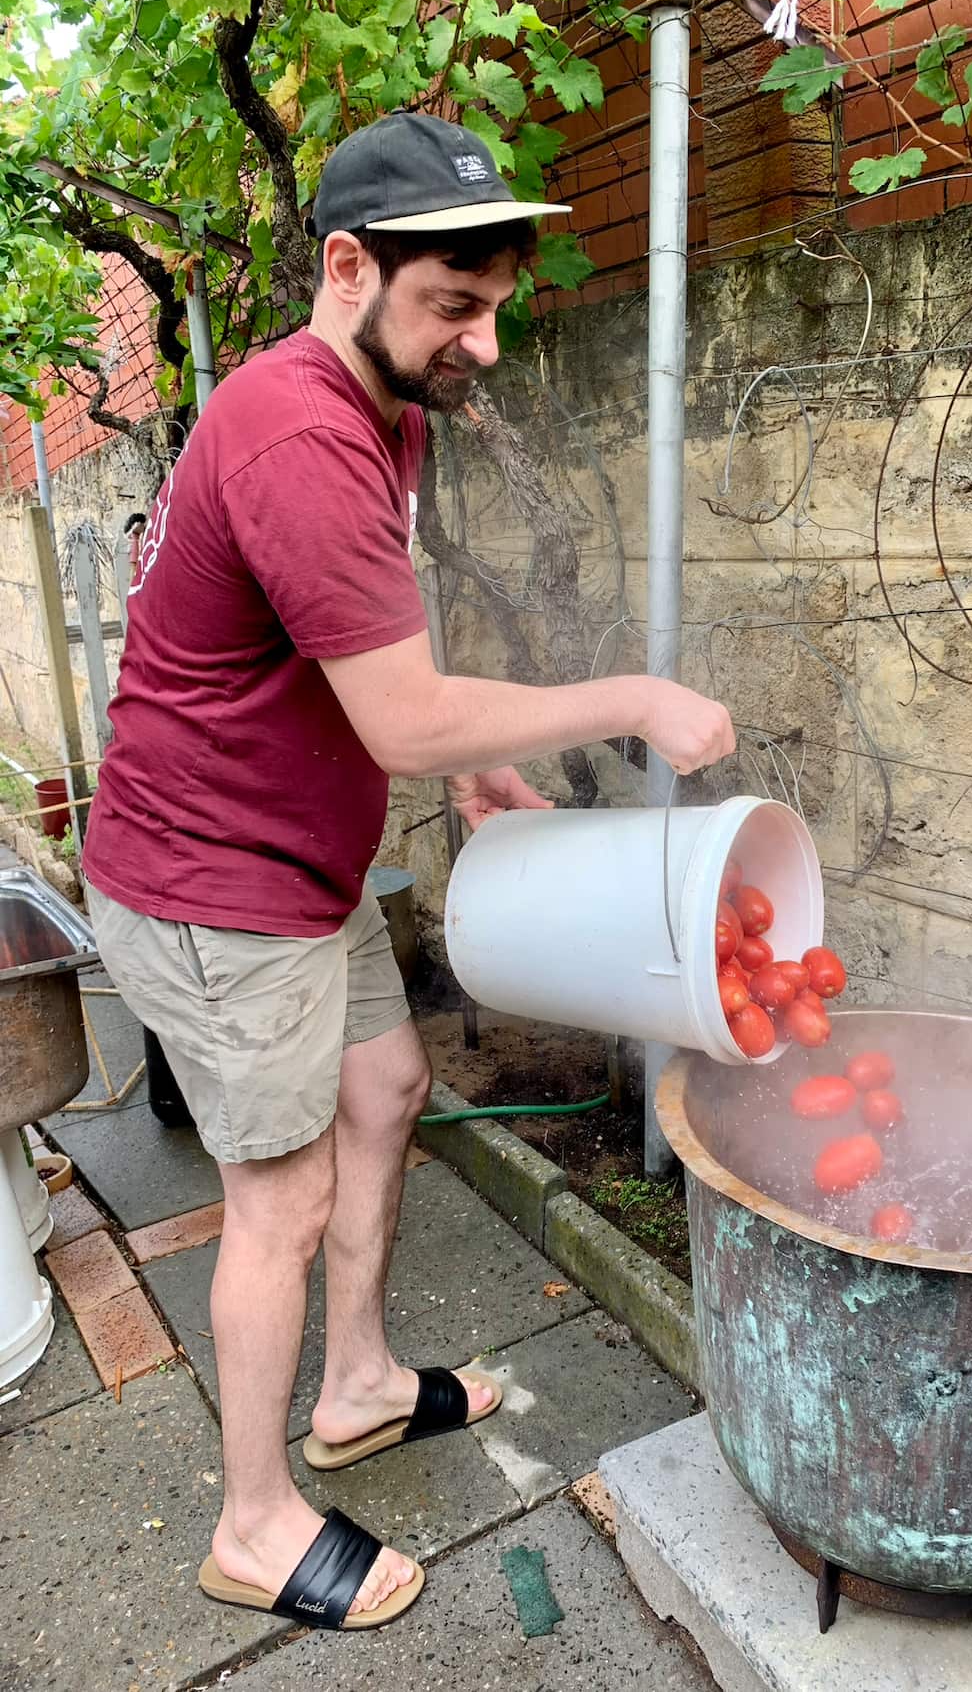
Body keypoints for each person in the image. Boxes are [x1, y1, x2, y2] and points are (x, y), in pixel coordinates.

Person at [82, 111, 735, 1634]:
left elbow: (373, 654)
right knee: (279, 1196)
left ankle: (360, 1383)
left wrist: (463, 761)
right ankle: (251, 1523)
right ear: (346, 267)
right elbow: (398, 702)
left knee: (386, 1088)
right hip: (206, 882)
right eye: (456, 304)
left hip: (301, 859)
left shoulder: (390, 409)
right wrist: (629, 699)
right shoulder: (300, 426)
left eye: (496, 305)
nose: (487, 344)